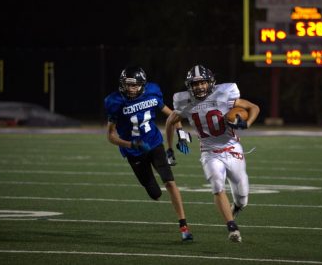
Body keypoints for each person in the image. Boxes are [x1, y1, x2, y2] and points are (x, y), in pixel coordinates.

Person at [165, 65, 260, 243]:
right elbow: (170, 121)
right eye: (195, 84)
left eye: (202, 82)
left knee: (242, 197)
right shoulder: (185, 102)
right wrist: (171, 146)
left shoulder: (224, 94)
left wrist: (247, 124)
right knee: (217, 185)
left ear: (210, 82)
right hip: (209, 152)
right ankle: (231, 227)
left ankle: (236, 207)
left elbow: (254, 107)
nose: (199, 87)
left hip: (232, 148)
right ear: (189, 86)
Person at [104, 66, 193, 241]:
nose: (130, 89)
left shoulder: (152, 93)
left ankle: (184, 225)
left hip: (154, 143)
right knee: (155, 193)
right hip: (134, 151)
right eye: (127, 85)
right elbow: (110, 136)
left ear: (143, 85)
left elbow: (173, 115)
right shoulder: (115, 102)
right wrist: (131, 144)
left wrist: (181, 134)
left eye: (134, 85)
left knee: (169, 181)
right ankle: (153, 187)